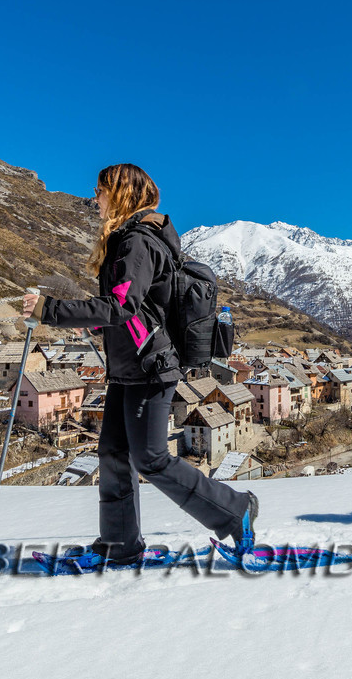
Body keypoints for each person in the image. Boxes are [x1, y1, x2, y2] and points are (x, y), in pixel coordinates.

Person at [20, 163, 257, 564]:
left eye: (100, 190)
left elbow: (120, 305)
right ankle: (119, 545)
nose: (94, 198)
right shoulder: (127, 240)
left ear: (120, 194)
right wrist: (98, 329)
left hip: (151, 368)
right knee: (113, 455)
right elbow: (137, 311)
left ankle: (235, 510)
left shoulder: (138, 243)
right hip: (130, 367)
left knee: (150, 458)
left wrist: (49, 309)